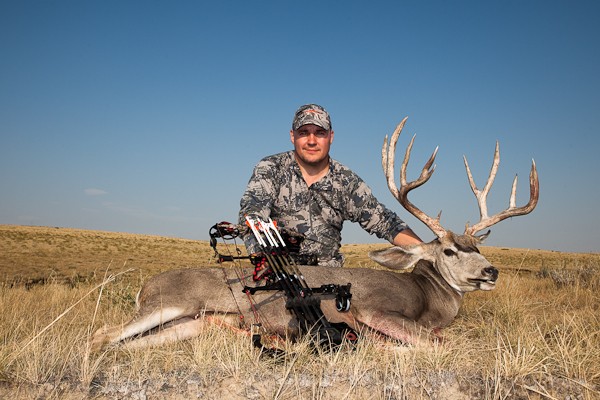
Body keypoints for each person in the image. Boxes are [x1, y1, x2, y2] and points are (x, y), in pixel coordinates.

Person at [239, 104, 422, 268]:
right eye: (304, 133)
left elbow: (385, 222)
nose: (312, 141)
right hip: (277, 271)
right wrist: (264, 258)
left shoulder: (346, 181)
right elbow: (252, 213)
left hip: (330, 277)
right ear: (292, 136)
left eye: (320, 133)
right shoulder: (271, 168)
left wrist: (427, 253)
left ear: (330, 137)